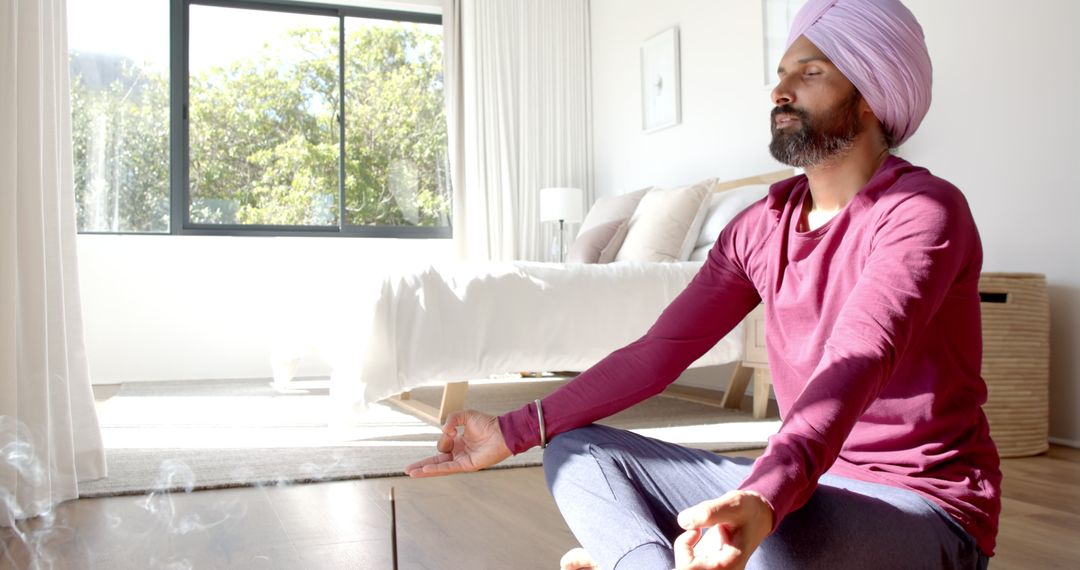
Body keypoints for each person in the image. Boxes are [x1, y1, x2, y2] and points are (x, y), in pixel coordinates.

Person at [405, 0, 1001, 568]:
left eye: (811, 72)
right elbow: (658, 353)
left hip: (920, 508)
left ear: (870, 94)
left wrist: (763, 497)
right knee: (573, 451)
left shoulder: (923, 211)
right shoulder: (758, 227)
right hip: (807, 486)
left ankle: (646, 552)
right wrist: (513, 430)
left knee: (774, 543)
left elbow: (857, 359)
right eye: (781, 74)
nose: (781, 90)